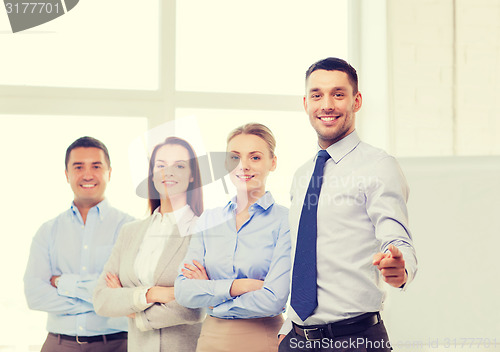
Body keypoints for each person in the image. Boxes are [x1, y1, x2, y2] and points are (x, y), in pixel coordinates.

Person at [278, 57, 418, 352]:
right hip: (296, 340)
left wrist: (400, 268)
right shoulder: (302, 175)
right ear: (306, 103)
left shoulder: (379, 166)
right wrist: (287, 328)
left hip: (354, 340)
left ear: (357, 101)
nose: (326, 104)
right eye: (317, 95)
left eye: (338, 94)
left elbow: (397, 238)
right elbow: (300, 257)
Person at [174, 123, 291, 352]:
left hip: (262, 339)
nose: (243, 166)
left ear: (272, 163)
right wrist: (240, 286)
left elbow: (274, 299)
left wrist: (210, 294)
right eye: (235, 157)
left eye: (255, 157)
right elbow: (183, 291)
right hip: (210, 339)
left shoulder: (286, 220)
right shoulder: (208, 220)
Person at [93, 136, 205, 352]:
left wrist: (130, 307)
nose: (168, 172)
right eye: (160, 165)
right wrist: (153, 294)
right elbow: (101, 298)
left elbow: (193, 308)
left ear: (192, 175)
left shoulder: (203, 231)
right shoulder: (130, 232)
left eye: (179, 165)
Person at [24, 136, 134, 352]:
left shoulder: (130, 228)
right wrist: (104, 302)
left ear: (109, 173)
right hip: (58, 344)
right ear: (67, 175)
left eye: (96, 166)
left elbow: (129, 293)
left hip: (115, 345)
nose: (87, 174)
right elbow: (35, 295)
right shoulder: (48, 231)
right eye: (78, 167)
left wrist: (63, 284)